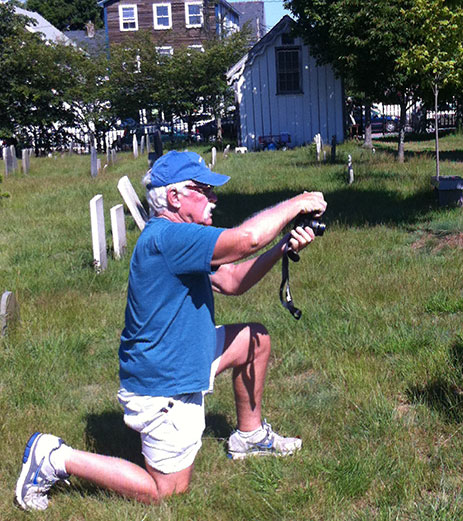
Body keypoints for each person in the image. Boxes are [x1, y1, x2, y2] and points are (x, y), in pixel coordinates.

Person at [15, 150, 327, 511]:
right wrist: (299, 202)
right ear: (175, 198)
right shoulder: (169, 239)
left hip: (186, 352)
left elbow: (233, 281)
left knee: (254, 339)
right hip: (162, 383)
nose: (214, 198)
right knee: (165, 492)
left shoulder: (179, 237)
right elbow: (248, 240)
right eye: (204, 190)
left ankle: (250, 436)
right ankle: (54, 457)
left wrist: (283, 246)